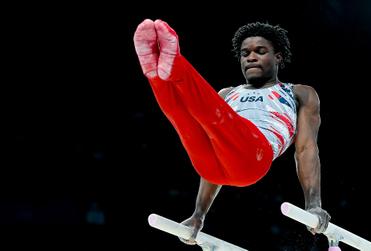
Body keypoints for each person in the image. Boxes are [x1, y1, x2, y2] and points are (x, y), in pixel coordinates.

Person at [133, 19, 331, 245]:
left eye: (260, 51)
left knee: (210, 115)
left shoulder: (299, 93)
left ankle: (174, 64)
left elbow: (306, 150)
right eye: (245, 53)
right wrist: (199, 215)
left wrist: (314, 204)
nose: (251, 57)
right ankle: (156, 73)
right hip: (212, 167)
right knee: (183, 120)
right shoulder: (227, 93)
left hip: (253, 158)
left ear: (278, 57)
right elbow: (214, 132)